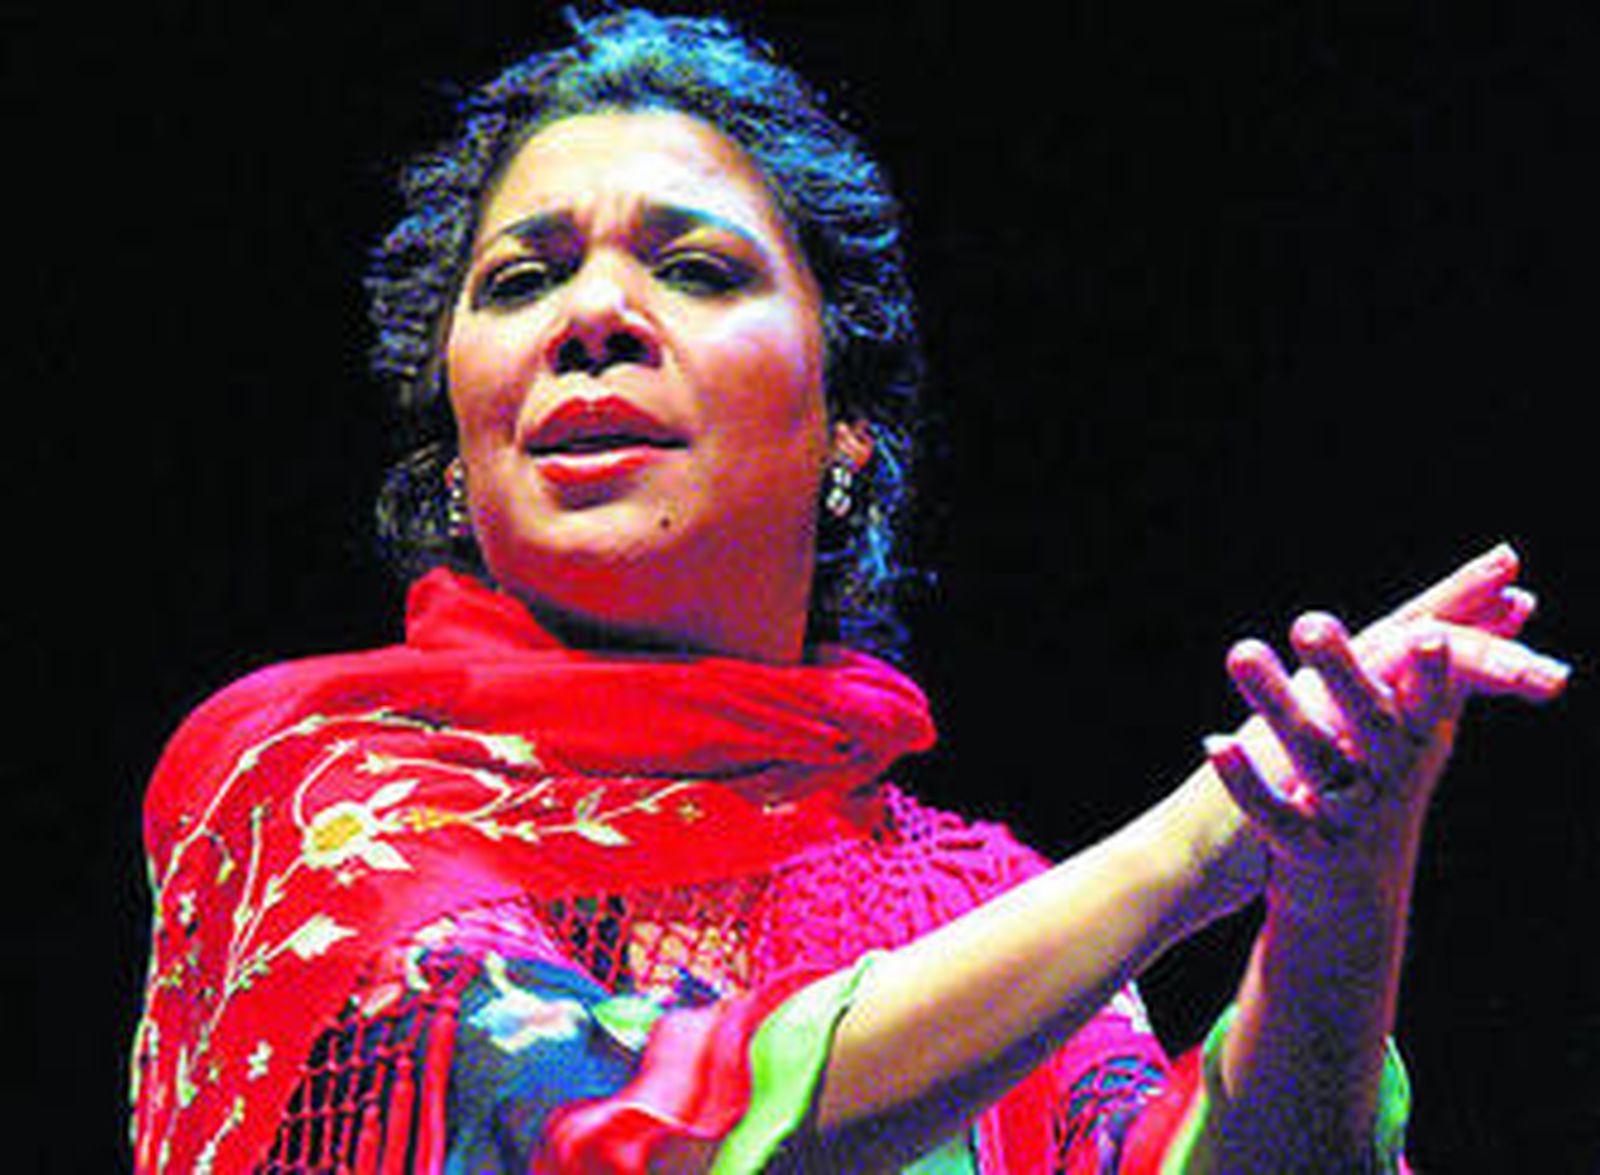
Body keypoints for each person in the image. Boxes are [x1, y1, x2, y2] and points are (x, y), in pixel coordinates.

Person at [129, 10, 1570, 1172]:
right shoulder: (306, 781)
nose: (593, 317)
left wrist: (1335, 885)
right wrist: (1194, 848)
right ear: (456, 453)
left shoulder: (965, 899)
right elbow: (603, 1130)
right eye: (521, 281)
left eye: (695, 269)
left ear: (846, 430)